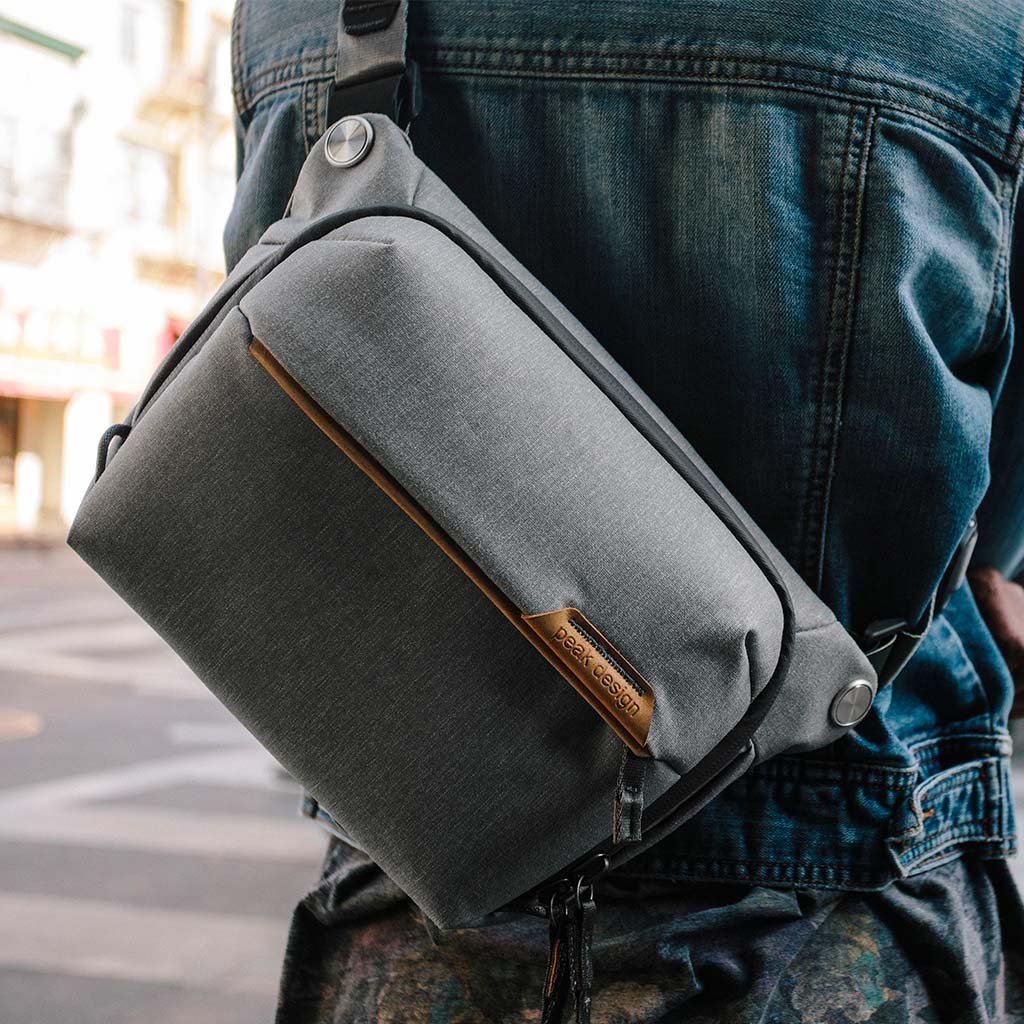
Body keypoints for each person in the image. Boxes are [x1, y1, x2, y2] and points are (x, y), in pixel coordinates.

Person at [225, 1, 1024, 1020]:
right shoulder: (977, 26)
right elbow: (995, 518)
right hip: (828, 883)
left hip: (419, 873)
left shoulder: (294, 15)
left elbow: (276, 377)